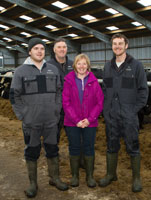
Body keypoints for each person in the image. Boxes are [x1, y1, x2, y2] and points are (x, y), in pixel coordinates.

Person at [9, 38, 68, 198]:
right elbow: (14, 96)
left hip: (51, 120)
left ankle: (54, 178)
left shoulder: (53, 70)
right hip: (31, 122)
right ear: (30, 51)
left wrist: (57, 110)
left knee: (53, 149)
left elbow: (59, 92)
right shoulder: (21, 71)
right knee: (32, 151)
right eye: (36, 48)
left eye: (42, 48)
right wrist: (23, 115)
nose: (39, 51)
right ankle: (33, 184)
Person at [99, 33, 148, 193]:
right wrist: (106, 110)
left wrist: (133, 110)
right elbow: (105, 89)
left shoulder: (136, 66)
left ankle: (136, 178)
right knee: (111, 145)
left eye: (120, 43)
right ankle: (110, 174)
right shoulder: (107, 66)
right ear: (112, 46)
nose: (117, 46)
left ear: (126, 45)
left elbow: (143, 91)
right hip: (111, 115)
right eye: (115, 44)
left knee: (132, 146)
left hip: (129, 115)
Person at [62, 54, 104, 188]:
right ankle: (75, 176)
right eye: (79, 64)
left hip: (89, 122)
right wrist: (76, 120)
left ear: (88, 66)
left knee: (89, 147)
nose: (81, 66)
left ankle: (89, 176)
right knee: (74, 147)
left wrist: (89, 119)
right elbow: (66, 102)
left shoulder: (94, 81)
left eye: (84, 64)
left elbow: (100, 102)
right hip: (71, 122)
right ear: (75, 65)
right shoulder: (68, 80)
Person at [47, 37, 74, 144]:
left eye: (64, 47)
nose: (62, 49)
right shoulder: (47, 66)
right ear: (54, 49)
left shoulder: (74, 64)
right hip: (54, 108)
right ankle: (53, 158)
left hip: (71, 107)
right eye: (59, 47)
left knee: (74, 136)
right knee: (53, 136)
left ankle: (76, 158)